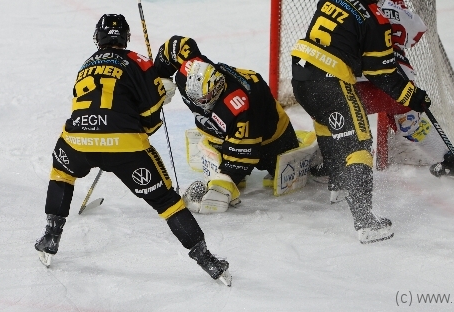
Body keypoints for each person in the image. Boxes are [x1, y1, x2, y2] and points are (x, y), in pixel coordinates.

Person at [34, 14, 231, 285]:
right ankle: (207, 260)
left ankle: (51, 236)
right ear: (126, 37)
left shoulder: (86, 64)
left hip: (78, 140)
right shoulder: (139, 61)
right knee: (167, 202)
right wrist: (159, 97)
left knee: (61, 173)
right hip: (125, 147)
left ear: (98, 37)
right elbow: (150, 123)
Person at [290, 0, 432, 244]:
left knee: (328, 123)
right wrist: (413, 96)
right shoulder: (376, 20)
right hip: (330, 80)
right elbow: (382, 75)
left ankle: (338, 184)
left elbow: (344, 31)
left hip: (300, 75)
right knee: (359, 144)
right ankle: (366, 222)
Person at [310, 0, 448, 178]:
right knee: (411, 123)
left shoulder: (350, 6)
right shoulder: (396, 12)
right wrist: (398, 9)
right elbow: (416, 33)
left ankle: (336, 160)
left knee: (332, 109)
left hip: (361, 83)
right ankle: (447, 158)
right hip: (398, 83)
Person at [153, 36, 299, 213]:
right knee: (225, 162)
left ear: (218, 85)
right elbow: (176, 45)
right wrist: (157, 78)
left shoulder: (237, 107)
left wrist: (224, 184)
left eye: (207, 98)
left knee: (281, 171)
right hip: (224, 133)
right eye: (199, 100)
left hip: (271, 134)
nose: (203, 104)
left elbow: (242, 155)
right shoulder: (190, 71)